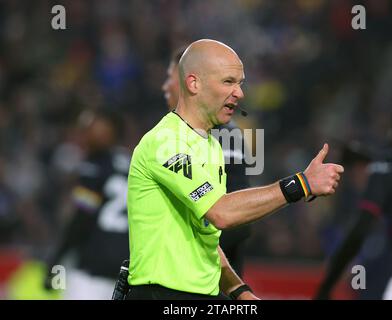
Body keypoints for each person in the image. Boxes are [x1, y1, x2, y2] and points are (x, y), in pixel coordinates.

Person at [126, 39, 344, 300]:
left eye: (240, 83)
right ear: (194, 83)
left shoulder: (211, 146)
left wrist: (238, 290)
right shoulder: (166, 142)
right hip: (161, 295)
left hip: (197, 295)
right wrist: (300, 184)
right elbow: (221, 212)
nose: (239, 93)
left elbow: (206, 235)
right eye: (228, 82)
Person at [162, 46, 251, 277]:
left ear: (191, 82)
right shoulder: (172, 134)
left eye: (169, 76)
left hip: (213, 281)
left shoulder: (223, 134)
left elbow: (238, 220)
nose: (165, 86)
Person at [315, 109, 392, 300]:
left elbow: (359, 234)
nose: (354, 175)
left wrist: (326, 287)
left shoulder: (387, 175)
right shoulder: (344, 212)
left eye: (359, 165)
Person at [44, 109, 131, 299]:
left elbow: (82, 216)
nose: (87, 132)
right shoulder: (134, 162)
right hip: (127, 273)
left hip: (92, 271)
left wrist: (56, 261)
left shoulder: (94, 167)